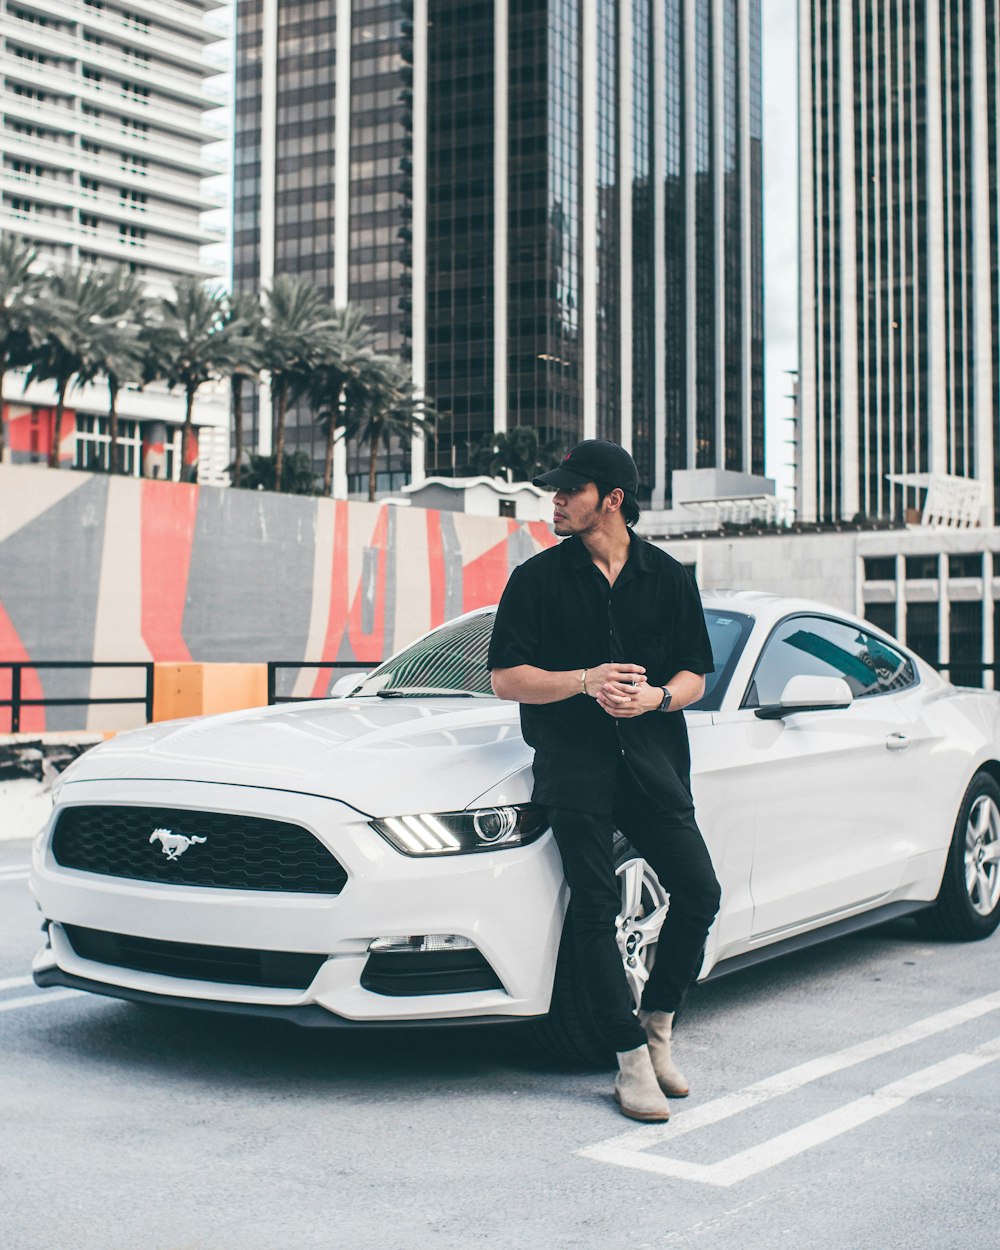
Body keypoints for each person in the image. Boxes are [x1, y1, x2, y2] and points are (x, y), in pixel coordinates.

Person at [487, 439, 721, 1123]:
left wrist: (656, 700)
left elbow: (694, 674)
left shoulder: (670, 578)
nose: (554, 502)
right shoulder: (536, 580)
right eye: (554, 492)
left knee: (700, 892)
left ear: (612, 500)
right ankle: (626, 1061)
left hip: (652, 764)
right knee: (594, 908)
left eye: (569, 491)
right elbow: (505, 678)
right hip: (574, 766)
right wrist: (584, 681)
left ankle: (657, 1030)